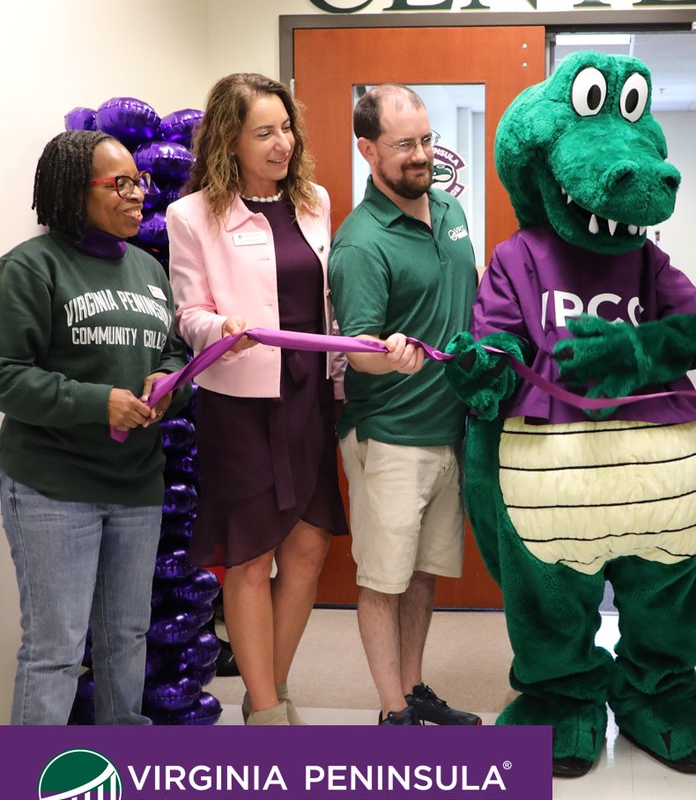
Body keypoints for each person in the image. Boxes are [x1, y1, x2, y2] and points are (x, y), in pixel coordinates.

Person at [168, 73, 348, 726]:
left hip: (307, 395)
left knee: (308, 547)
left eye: (287, 128)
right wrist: (218, 330)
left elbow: (325, 301)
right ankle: (270, 713)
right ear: (229, 140)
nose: (283, 144)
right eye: (264, 132)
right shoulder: (191, 216)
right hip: (240, 402)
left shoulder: (315, 200)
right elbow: (188, 311)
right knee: (250, 556)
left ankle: (265, 687)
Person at [0, 130, 188, 724]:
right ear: (71, 191)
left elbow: (174, 350)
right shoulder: (29, 268)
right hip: (54, 488)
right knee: (56, 652)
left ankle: (119, 776)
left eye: (141, 182)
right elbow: (6, 375)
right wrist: (95, 402)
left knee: (127, 639)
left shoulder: (149, 270)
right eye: (121, 183)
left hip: (136, 483)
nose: (138, 195)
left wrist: (168, 377)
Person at [328, 85, 481, 728]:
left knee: (423, 574)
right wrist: (387, 354)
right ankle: (393, 714)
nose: (421, 155)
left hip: (449, 431)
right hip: (389, 436)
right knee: (384, 580)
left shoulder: (448, 209)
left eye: (425, 139)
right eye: (403, 145)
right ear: (367, 150)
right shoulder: (360, 243)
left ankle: (414, 691)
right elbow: (355, 351)